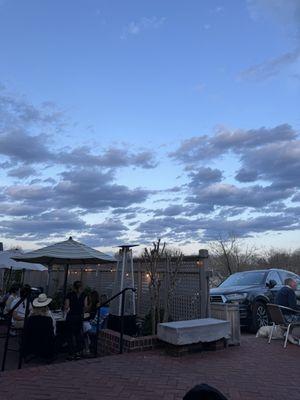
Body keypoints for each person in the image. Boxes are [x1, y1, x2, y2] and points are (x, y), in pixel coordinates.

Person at [23, 293, 56, 361]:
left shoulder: (31, 316)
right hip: (45, 341)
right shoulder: (48, 317)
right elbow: (53, 328)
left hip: (32, 340)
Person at [64, 280, 88, 360]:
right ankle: (78, 352)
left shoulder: (69, 295)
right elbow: (85, 307)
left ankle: (71, 353)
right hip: (79, 317)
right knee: (78, 334)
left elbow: (66, 307)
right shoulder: (84, 295)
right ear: (81, 287)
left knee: (69, 335)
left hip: (71, 316)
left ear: (74, 287)